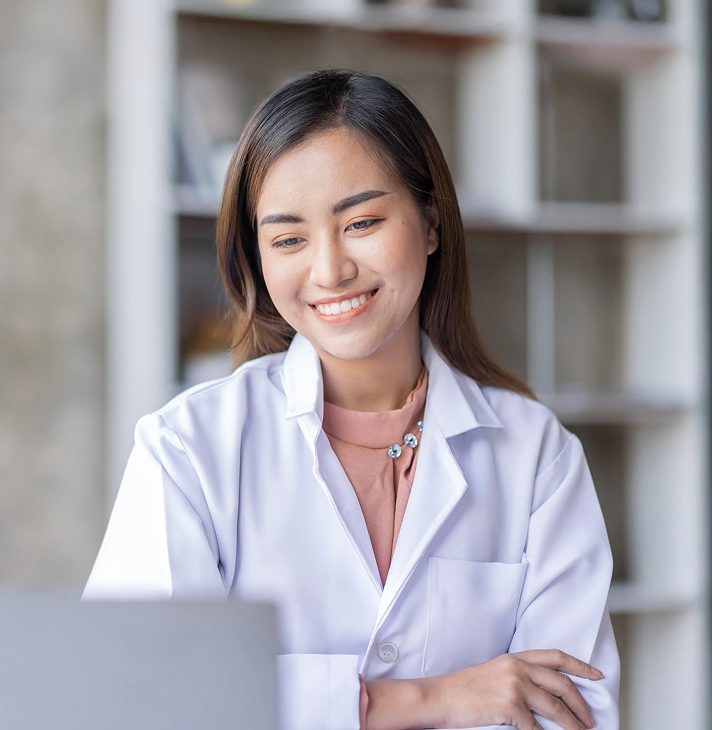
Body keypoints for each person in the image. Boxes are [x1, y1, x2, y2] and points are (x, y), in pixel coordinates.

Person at [84, 69, 620, 730]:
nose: (330, 268)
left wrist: (274, 696)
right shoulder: (187, 448)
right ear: (256, 259)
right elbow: (136, 695)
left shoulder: (534, 453)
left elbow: (573, 707)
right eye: (287, 240)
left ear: (428, 223)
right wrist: (432, 698)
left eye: (361, 221)